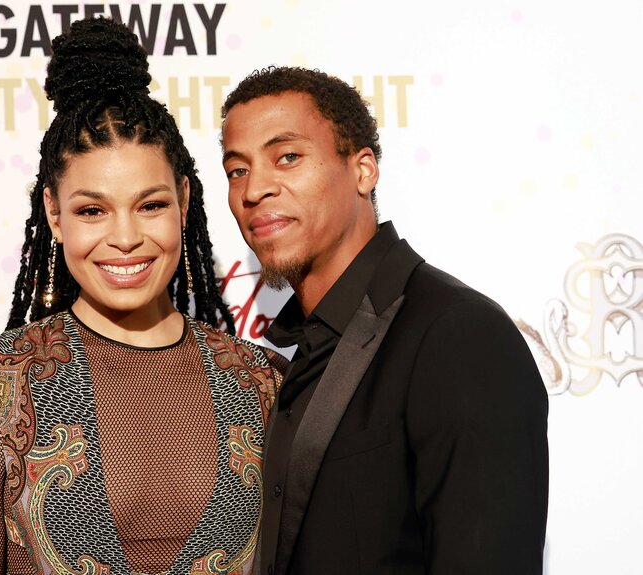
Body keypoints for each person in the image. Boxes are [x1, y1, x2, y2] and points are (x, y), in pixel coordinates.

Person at [0, 18, 285, 575]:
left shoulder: (263, 381)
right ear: (54, 215)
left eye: (150, 205)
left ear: (184, 201)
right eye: (92, 210)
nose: (126, 237)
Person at [220, 66, 549, 575]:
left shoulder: (458, 336)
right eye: (237, 169)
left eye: (287, 157)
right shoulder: (295, 356)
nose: (255, 188)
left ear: (363, 170)